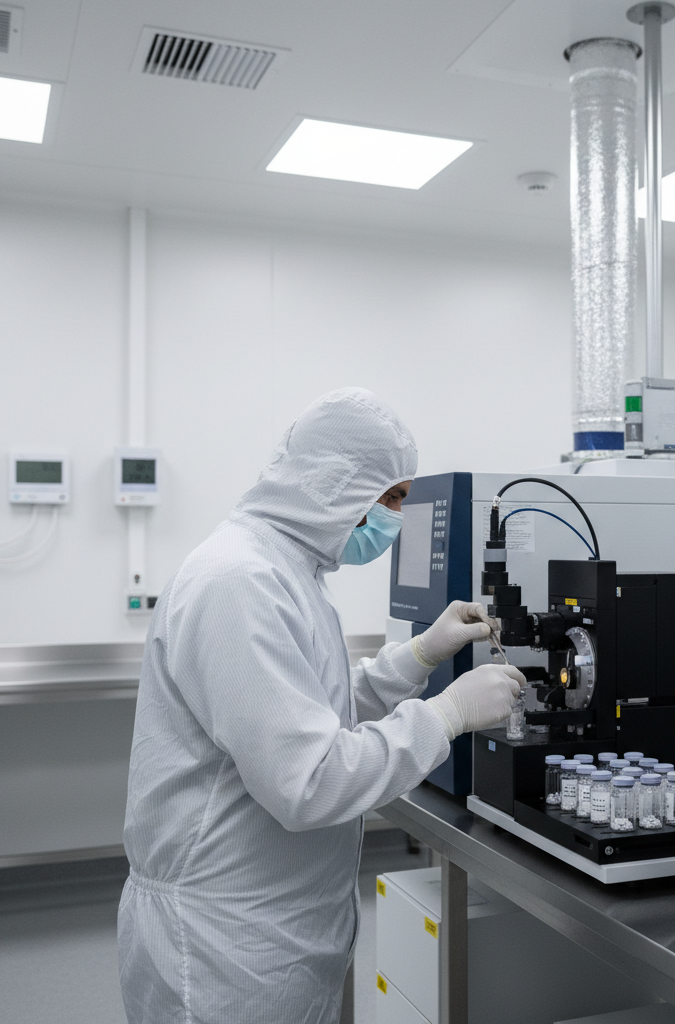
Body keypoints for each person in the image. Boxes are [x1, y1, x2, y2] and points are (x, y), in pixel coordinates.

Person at [117, 387, 524, 1024]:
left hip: (274, 924)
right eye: (390, 497)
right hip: (225, 943)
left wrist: (418, 655)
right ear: (337, 483)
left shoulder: (285, 570)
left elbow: (314, 710)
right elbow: (308, 780)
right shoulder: (240, 581)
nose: (394, 518)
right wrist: (447, 714)